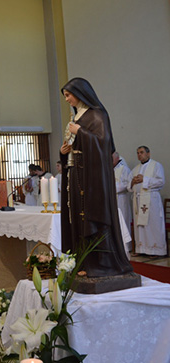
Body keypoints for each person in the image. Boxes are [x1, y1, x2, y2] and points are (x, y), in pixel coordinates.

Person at [59, 77, 132, 278]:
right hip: (76, 174)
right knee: (77, 217)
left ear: (80, 93)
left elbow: (103, 144)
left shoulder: (97, 115)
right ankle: (82, 261)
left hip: (93, 179)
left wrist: (81, 132)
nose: (66, 100)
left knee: (92, 217)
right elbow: (76, 146)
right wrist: (64, 152)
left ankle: (101, 264)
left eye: (68, 95)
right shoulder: (77, 117)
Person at [127, 146, 167, 257]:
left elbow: (161, 181)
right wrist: (132, 182)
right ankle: (142, 249)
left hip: (151, 201)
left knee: (152, 225)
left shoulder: (156, 166)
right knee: (140, 226)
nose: (139, 154)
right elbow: (128, 186)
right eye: (137, 153)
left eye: (142, 152)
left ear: (148, 154)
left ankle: (155, 250)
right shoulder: (135, 169)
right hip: (138, 200)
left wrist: (145, 179)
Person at [112, 152, 132, 233]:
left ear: (117, 158)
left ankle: (125, 245)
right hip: (111, 200)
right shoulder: (108, 169)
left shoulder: (124, 169)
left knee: (122, 223)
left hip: (121, 199)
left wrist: (112, 188)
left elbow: (127, 184)